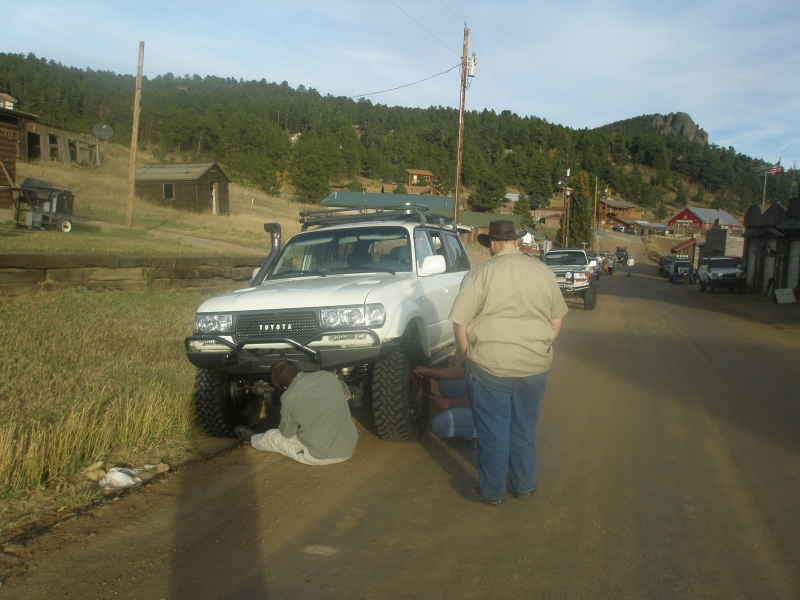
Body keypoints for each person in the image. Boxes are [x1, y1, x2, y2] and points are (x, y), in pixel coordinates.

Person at [449, 220, 567, 507]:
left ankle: (492, 492)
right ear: (516, 240)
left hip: (489, 365)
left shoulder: (480, 273)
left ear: (492, 243)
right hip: (534, 364)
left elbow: (460, 322)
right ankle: (524, 485)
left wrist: (468, 354)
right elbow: (557, 317)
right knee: (523, 426)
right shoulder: (542, 271)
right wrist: (541, 345)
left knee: (493, 429)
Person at [235, 361, 357, 466]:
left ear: (284, 387)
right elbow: (346, 395)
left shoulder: (289, 397)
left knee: (272, 437)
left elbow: (287, 433)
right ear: (298, 370)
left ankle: (252, 439)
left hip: (318, 455)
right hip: (349, 448)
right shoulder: (328, 376)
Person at [412, 365, 476, 445]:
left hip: (487, 410)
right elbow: (458, 371)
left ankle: (478, 433)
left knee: (438, 425)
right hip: (477, 396)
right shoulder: (477, 358)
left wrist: (450, 403)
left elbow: (479, 400)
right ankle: (461, 421)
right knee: (445, 383)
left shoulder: (490, 365)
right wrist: (428, 371)